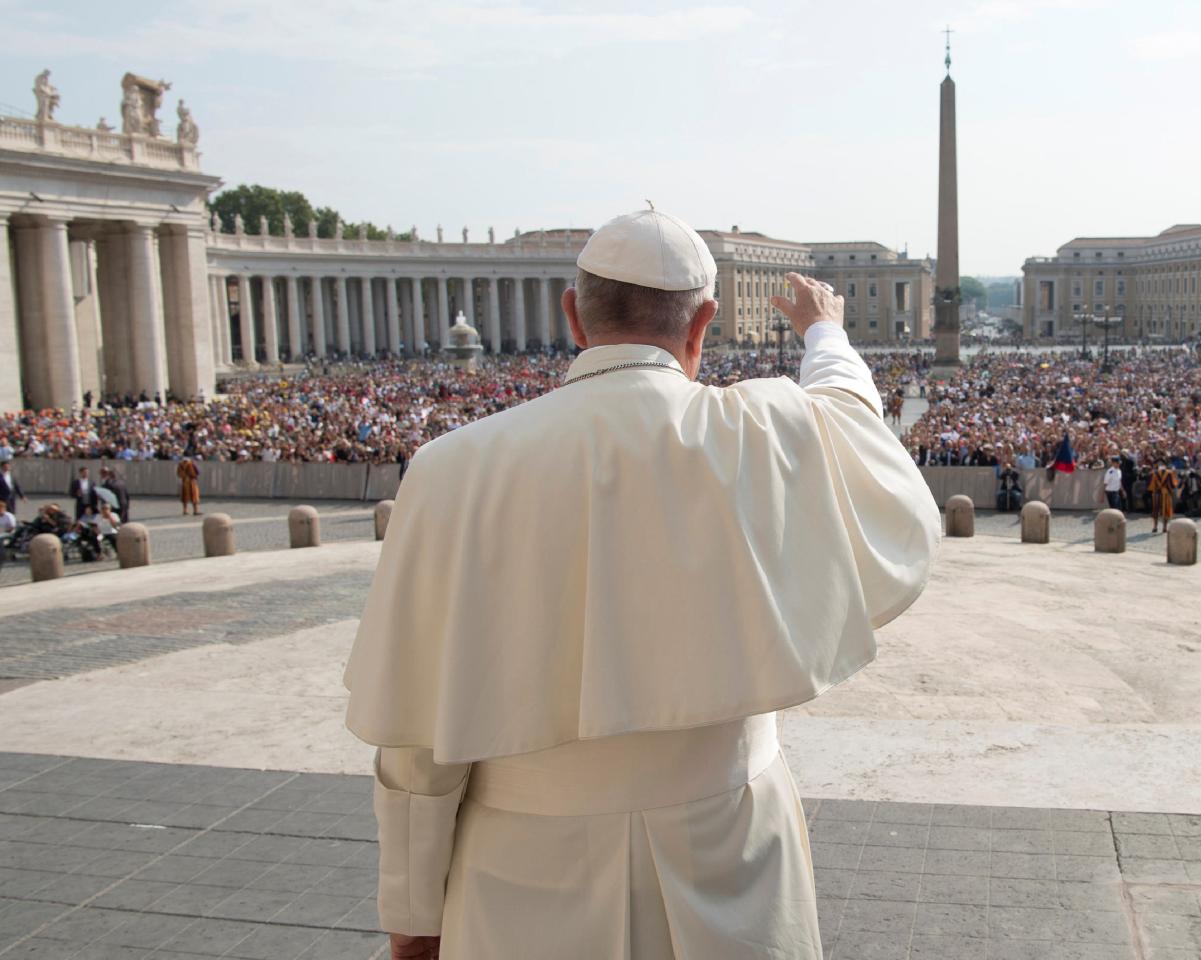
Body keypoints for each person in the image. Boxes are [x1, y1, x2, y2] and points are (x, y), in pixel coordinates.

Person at [343, 210, 940, 959]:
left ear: (572, 315)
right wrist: (825, 333)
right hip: (729, 854)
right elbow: (855, 426)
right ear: (704, 325)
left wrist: (412, 909)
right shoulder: (757, 432)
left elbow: (414, 739)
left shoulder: (450, 468)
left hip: (522, 871)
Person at [1148, 459, 1179, 534]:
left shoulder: (1153, 473)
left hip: (1156, 493)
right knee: (1165, 510)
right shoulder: (1169, 473)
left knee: (1155, 509)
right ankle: (1164, 528)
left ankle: (1155, 527)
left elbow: (1150, 486)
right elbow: (1173, 485)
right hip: (1166, 493)